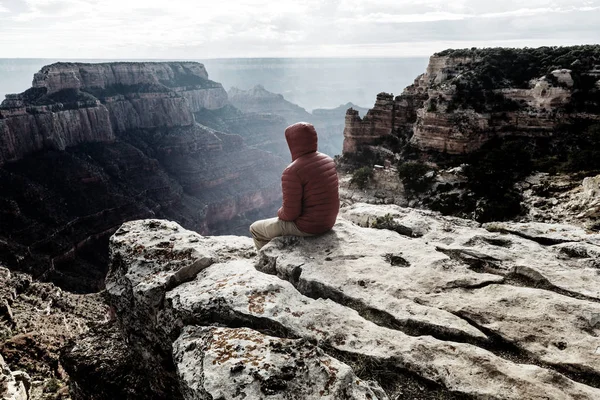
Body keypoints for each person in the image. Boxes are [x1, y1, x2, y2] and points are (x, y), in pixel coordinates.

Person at [250, 122, 339, 250]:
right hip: (328, 222)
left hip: (309, 227)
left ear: (292, 142)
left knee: (255, 229)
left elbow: (290, 214)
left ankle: (265, 259)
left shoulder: (292, 171)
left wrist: (279, 212)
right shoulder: (328, 160)